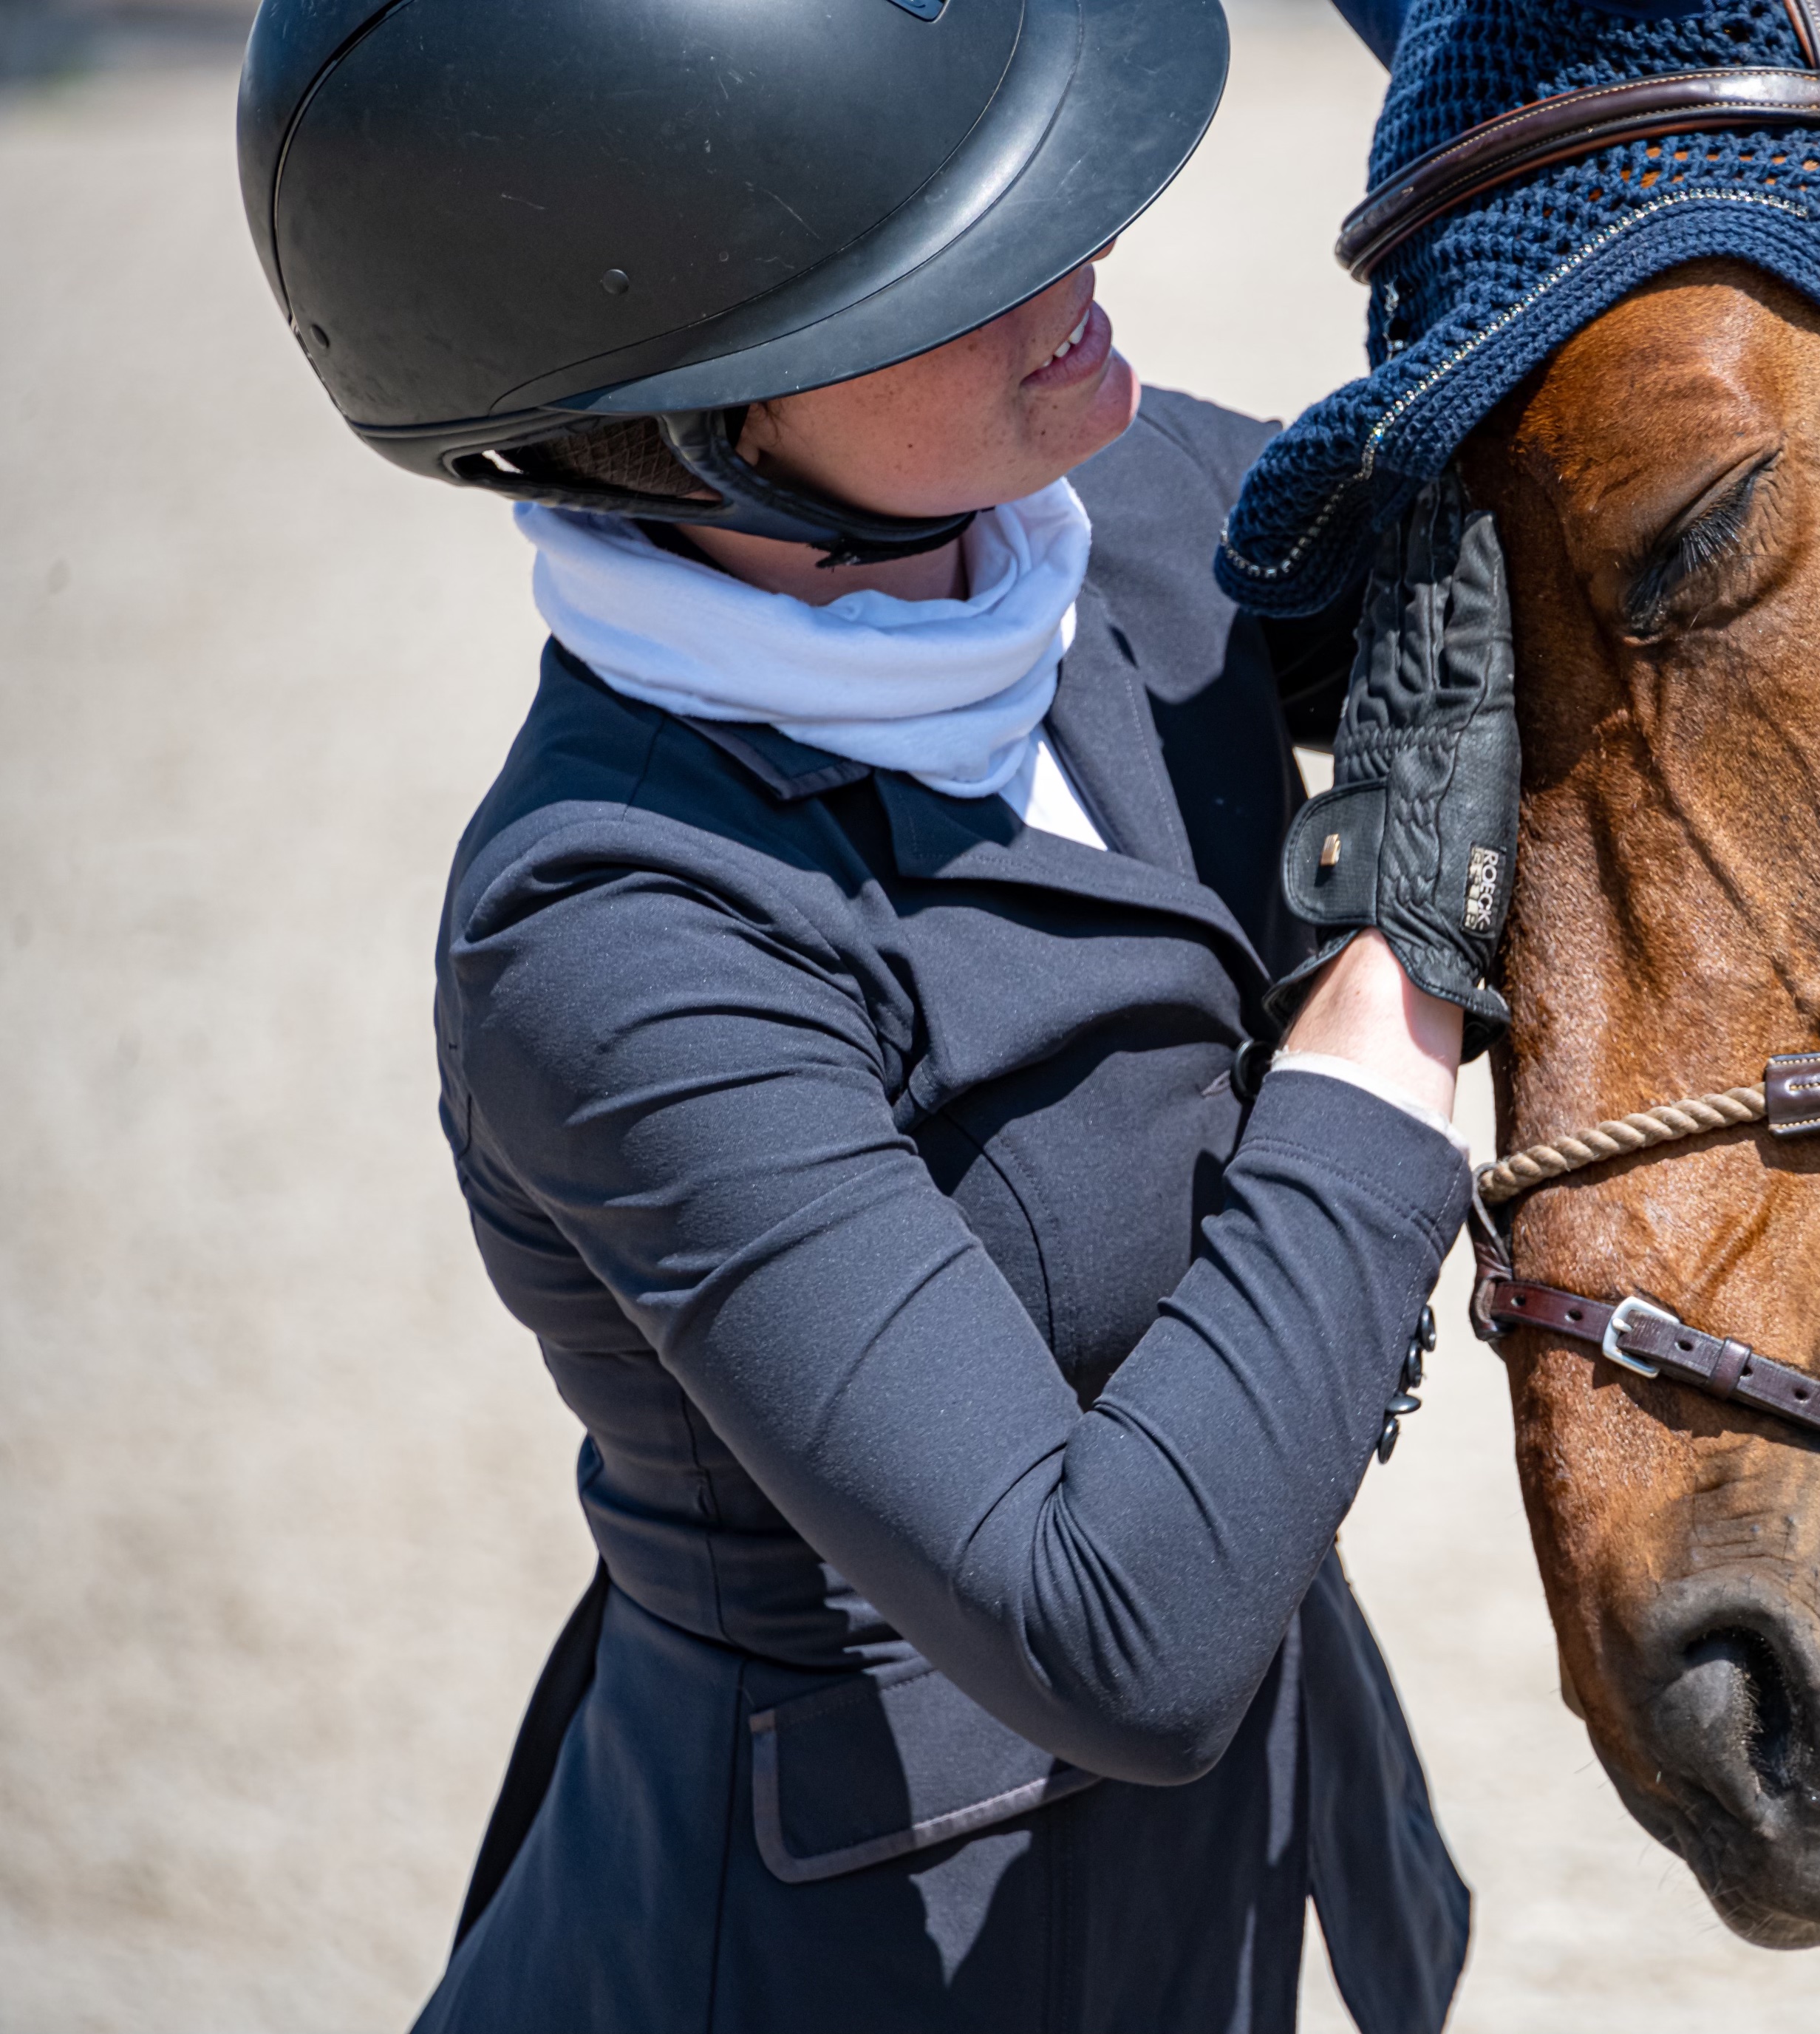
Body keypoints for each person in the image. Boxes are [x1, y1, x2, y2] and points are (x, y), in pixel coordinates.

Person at [236, 0, 1516, 2027]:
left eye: (1052, 178)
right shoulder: (618, 943)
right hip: (855, 1945)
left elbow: (1537, 615)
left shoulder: (1101, 513)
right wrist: (1391, 990)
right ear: (693, 404)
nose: (1074, 250)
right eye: (952, 252)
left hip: (1245, 1872)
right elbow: (1123, 1635)